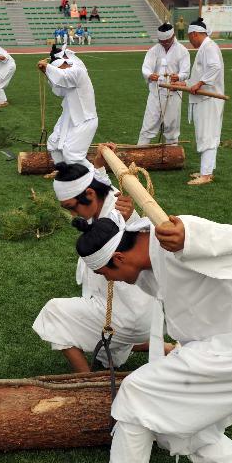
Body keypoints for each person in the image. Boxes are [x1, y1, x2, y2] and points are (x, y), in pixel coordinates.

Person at [70, 213, 232, 463]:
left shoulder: (174, 238)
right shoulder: (150, 253)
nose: (111, 281)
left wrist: (192, 236)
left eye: (107, 274)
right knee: (181, 427)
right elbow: (138, 235)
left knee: (137, 391)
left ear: (119, 259)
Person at [33, 149, 156, 373]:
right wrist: (98, 166)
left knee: (53, 313)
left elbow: (138, 237)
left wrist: (132, 218)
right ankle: (159, 345)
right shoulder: (105, 196)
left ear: (90, 194)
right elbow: (103, 185)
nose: (73, 215)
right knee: (100, 312)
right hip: (143, 315)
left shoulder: (120, 214)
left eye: (72, 207)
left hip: (130, 316)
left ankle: (87, 381)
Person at [38, 45, 98, 170]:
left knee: (72, 154)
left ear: (65, 62)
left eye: (59, 68)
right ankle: (63, 172)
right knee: (53, 142)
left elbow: (62, 77)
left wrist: (47, 67)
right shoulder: (69, 73)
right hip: (70, 115)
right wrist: (46, 71)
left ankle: (97, 179)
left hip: (84, 119)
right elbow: (60, 90)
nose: (60, 70)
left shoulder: (77, 71)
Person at [137, 23, 190, 146]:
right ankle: (140, 151)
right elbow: (146, 68)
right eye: (162, 41)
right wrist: (150, 75)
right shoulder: (154, 50)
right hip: (156, 92)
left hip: (174, 92)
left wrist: (178, 76)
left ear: (173, 36)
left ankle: (172, 153)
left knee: (172, 125)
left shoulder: (182, 51)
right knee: (148, 123)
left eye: (167, 41)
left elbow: (185, 71)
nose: (164, 44)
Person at [185, 18, 224, 186]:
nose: (190, 42)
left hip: (209, 98)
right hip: (204, 97)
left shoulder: (209, 47)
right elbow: (199, 74)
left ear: (194, 34)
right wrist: (184, 84)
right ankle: (206, 170)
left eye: (189, 38)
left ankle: (206, 174)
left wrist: (200, 83)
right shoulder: (205, 47)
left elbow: (215, 67)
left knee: (208, 134)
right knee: (206, 133)